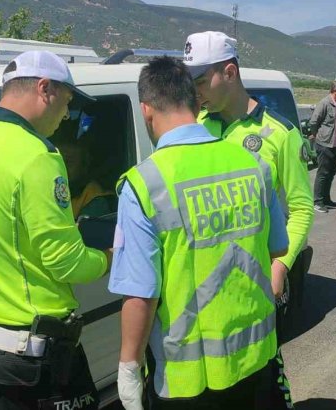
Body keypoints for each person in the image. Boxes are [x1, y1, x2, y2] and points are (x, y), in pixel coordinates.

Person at [0, 50, 111, 409]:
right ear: (45, 89)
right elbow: (66, 263)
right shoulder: (37, 156)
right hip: (27, 358)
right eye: (67, 103)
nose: (66, 116)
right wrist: (108, 256)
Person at [109, 56, 292, 410]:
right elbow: (277, 247)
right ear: (196, 103)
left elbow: (140, 293)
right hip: (256, 358)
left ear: (146, 110)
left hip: (187, 379)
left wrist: (128, 366)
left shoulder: (145, 184)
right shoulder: (253, 165)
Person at [186, 31, 314, 319]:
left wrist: (280, 266)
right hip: (200, 278)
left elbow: (302, 209)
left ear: (230, 73)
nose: (195, 92)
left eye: (201, 82)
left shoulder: (281, 134)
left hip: (253, 276)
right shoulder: (194, 126)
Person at [52, 121, 118, 220]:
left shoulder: (95, 200)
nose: (63, 167)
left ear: (85, 164)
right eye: (59, 160)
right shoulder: (51, 188)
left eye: (69, 161)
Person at [307, 79, 336, 213]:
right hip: (325, 144)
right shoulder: (325, 103)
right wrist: (317, 135)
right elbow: (313, 122)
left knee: (331, 173)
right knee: (323, 173)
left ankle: (326, 199)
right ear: (335, 90)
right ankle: (318, 201)